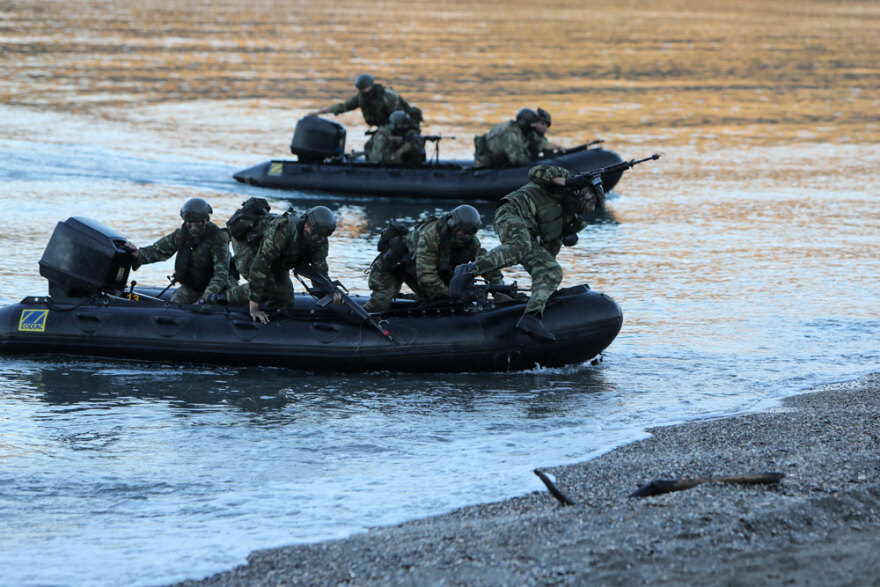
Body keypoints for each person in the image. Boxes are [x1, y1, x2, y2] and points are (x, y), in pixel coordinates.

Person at [454, 165, 600, 342]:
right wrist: (568, 181)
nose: (592, 208)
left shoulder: (568, 219)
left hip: (528, 238)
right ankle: (470, 270)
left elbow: (549, 254)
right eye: (593, 201)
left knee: (552, 271)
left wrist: (544, 287)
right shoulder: (561, 181)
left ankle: (531, 317)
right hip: (512, 213)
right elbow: (536, 172)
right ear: (584, 191)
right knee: (520, 246)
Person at [363, 205, 506, 313]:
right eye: (463, 231)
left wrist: (501, 294)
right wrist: (453, 297)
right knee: (380, 302)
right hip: (394, 267)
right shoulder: (431, 236)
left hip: (415, 269)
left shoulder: (471, 243)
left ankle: (408, 300)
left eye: (470, 233)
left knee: (431, 301)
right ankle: (351, 316)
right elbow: (427, 277)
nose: (465, 236)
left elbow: (487, 264)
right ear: (452, 225)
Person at [223, 205, 342, 324]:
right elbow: (261, 265)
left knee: (286, 298)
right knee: (267, 288)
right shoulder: (283, 230)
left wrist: (329, 295)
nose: (321, 240)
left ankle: (269, 322)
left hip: (277, 257)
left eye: (324, 236)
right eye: (319, 235)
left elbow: (319, 273)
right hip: (249, 245)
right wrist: (254, 308)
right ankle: (223, 297)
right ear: (307, 227)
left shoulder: (319, 242)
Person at [124, 198, 234, 305]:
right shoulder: (181, 235)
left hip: (217, 290)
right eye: (189, 222)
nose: (192, 227)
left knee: (210, 306)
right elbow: (158, 250)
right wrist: (138, 254)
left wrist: (206, 297)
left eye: (196, 222)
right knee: (175, 304)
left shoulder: (218, 239)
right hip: (193, 287)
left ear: (206, 220)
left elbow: (220, 275)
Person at [308, 73, 423, 130]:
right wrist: (319, 112)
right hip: (386, 127)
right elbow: (344, 107)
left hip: (403, 126)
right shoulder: (362, 97)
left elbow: (399, 116)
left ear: (370, 86)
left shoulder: (387, 96)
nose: (363, 91)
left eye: (364, 88)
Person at [474, 108, 547, 168]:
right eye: (534, 123)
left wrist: (558, 148)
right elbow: (518, 159)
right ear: (526, 123)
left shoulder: (526, 131)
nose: (537, 126)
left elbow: (542, 143)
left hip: (501, 158)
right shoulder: (511, 133)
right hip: (488, 162)